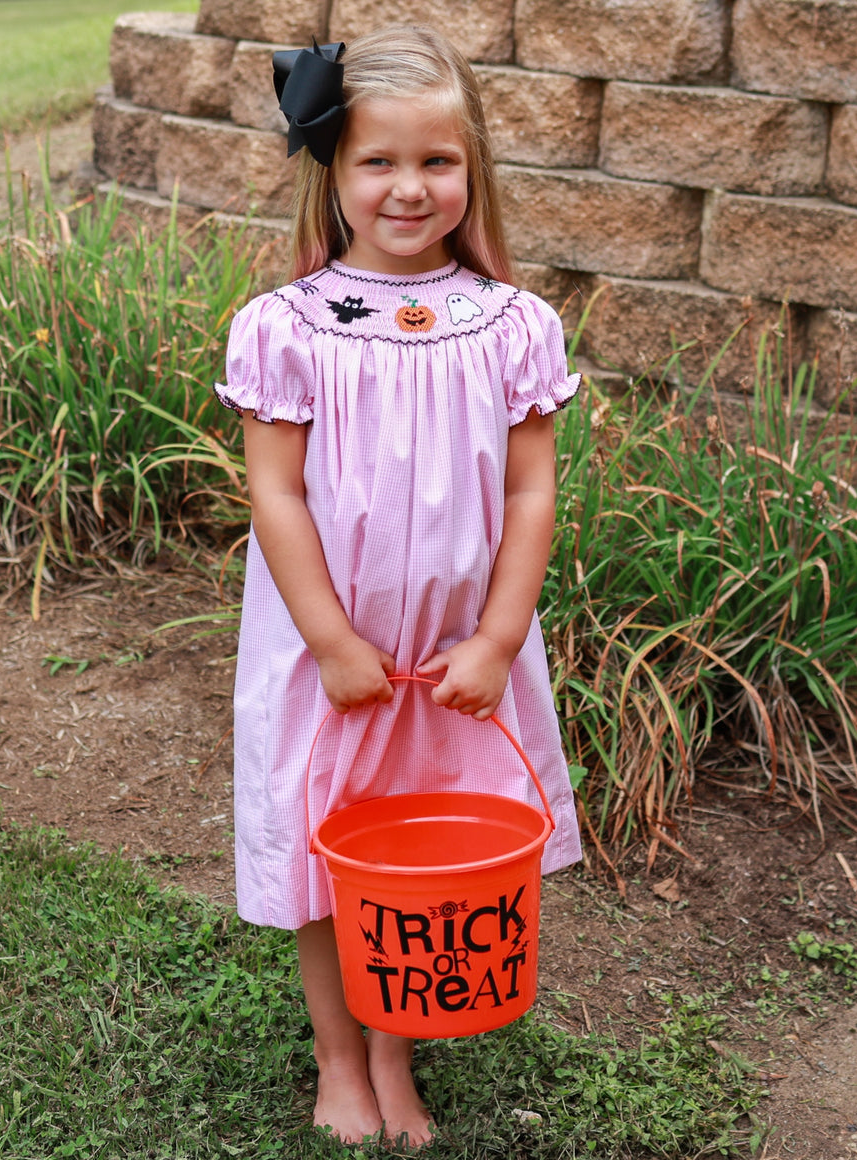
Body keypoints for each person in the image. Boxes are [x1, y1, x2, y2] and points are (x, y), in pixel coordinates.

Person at [215, 24, 582, 1148]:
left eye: (436, 161)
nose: (408, 188)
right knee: (335, 853)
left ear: (472, 170)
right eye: (378, 160)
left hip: (456, 657)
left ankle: (392, 1046)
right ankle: (339, 1055)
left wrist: (496, 637)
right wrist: (328, 640)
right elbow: (275, 495)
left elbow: (527, 494)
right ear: (333, 169)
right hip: (333, 656)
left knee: (419, 856)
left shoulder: (511, 325)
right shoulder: (288, 327)